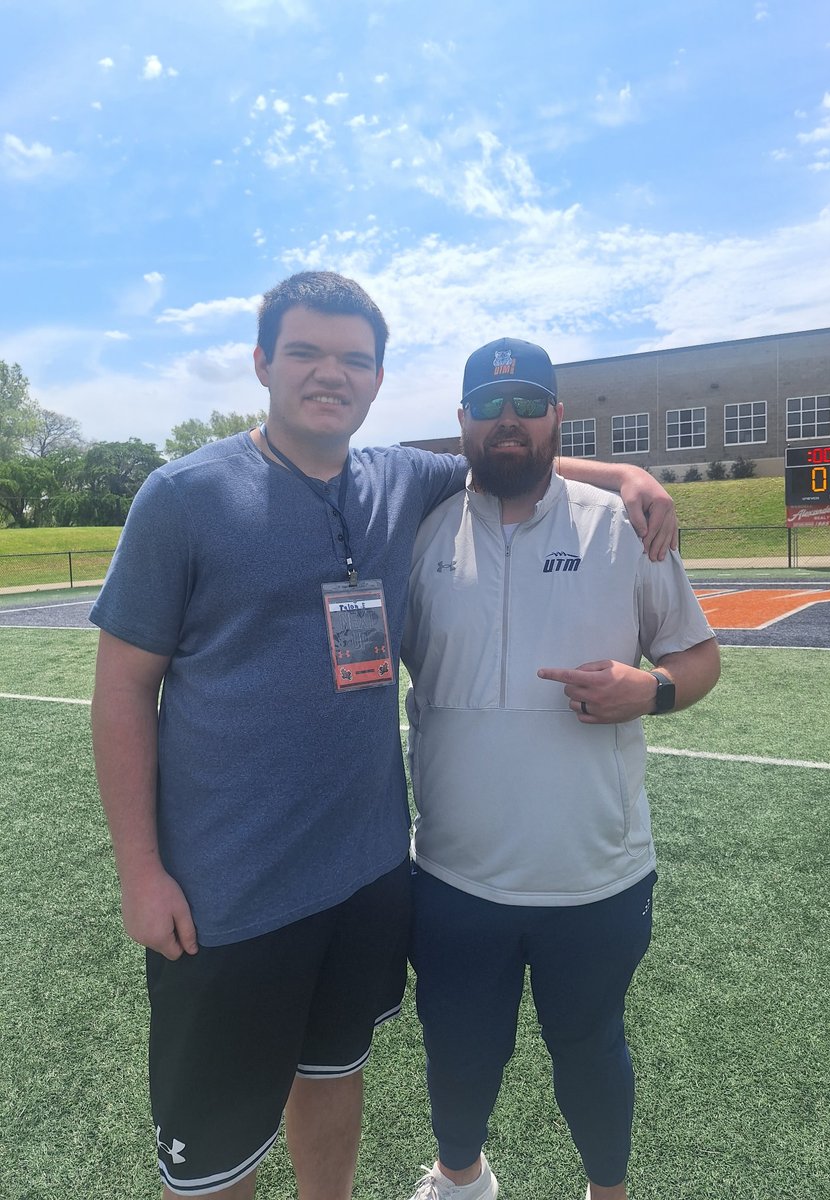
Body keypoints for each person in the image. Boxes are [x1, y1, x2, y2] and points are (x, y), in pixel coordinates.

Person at [90, 274, 678, 1200]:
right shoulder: (183, 496)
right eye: (306, 353)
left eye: (354, 360)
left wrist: (625, 475)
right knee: (216, 1152)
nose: (332, 375)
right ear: (261, 363)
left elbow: (510, 458)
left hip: (365, 878)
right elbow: (122, 688)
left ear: (376, 380)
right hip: (226, 892)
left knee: (332, 1083)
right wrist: (140, 869)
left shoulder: (400, 480)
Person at [401, 338, 720, 1200]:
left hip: (597, 875)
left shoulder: (623, 523)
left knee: (592, 1046)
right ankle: (460, 1178)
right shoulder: (419, 528)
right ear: (461, 419)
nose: (511, 422)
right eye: (492, 406)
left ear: (556, 418)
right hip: (455, 874)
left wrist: (649, 690)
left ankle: (607, 1193)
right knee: (459, 1047)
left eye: (529, 404)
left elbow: (698, 658)